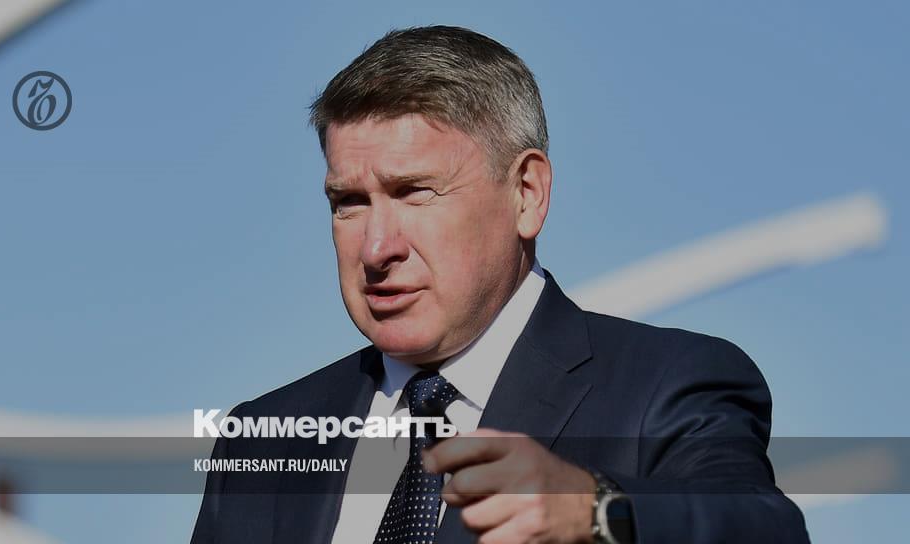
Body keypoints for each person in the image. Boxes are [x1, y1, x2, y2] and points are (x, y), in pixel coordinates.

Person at [191, 25, 810, 543]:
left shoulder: (667, 385)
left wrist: (594, 512)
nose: (377, 248)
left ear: (527, 194)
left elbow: (763, 529)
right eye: (349, 203)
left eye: (415, 192)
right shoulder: (260, 439)